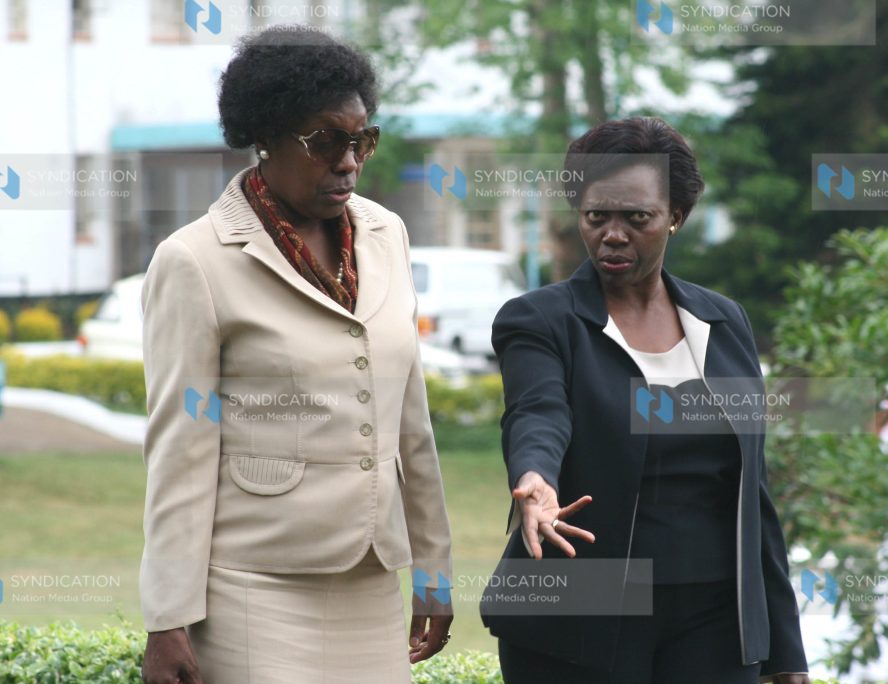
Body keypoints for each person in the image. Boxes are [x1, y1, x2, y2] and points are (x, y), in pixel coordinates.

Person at [139, 27, 452, 684]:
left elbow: (410, 419)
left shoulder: (387, 235)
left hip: (371, 580)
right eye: (325, 141)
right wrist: (166, 617)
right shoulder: (194, 261)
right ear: (268, 136)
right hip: (254, 587)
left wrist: (434, 570)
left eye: (361, 140)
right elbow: (180, 451)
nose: (348, 162)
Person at [482, 117, 810, 683]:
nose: (613, 233)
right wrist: (536, 478)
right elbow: (538, 410)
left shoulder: (723, 321)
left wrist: (784, 649)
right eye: (596, 216)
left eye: (637, 218)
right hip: (578, 607)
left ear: (675, 218)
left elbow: (752, 494)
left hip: (713, 618)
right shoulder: (539, 320)